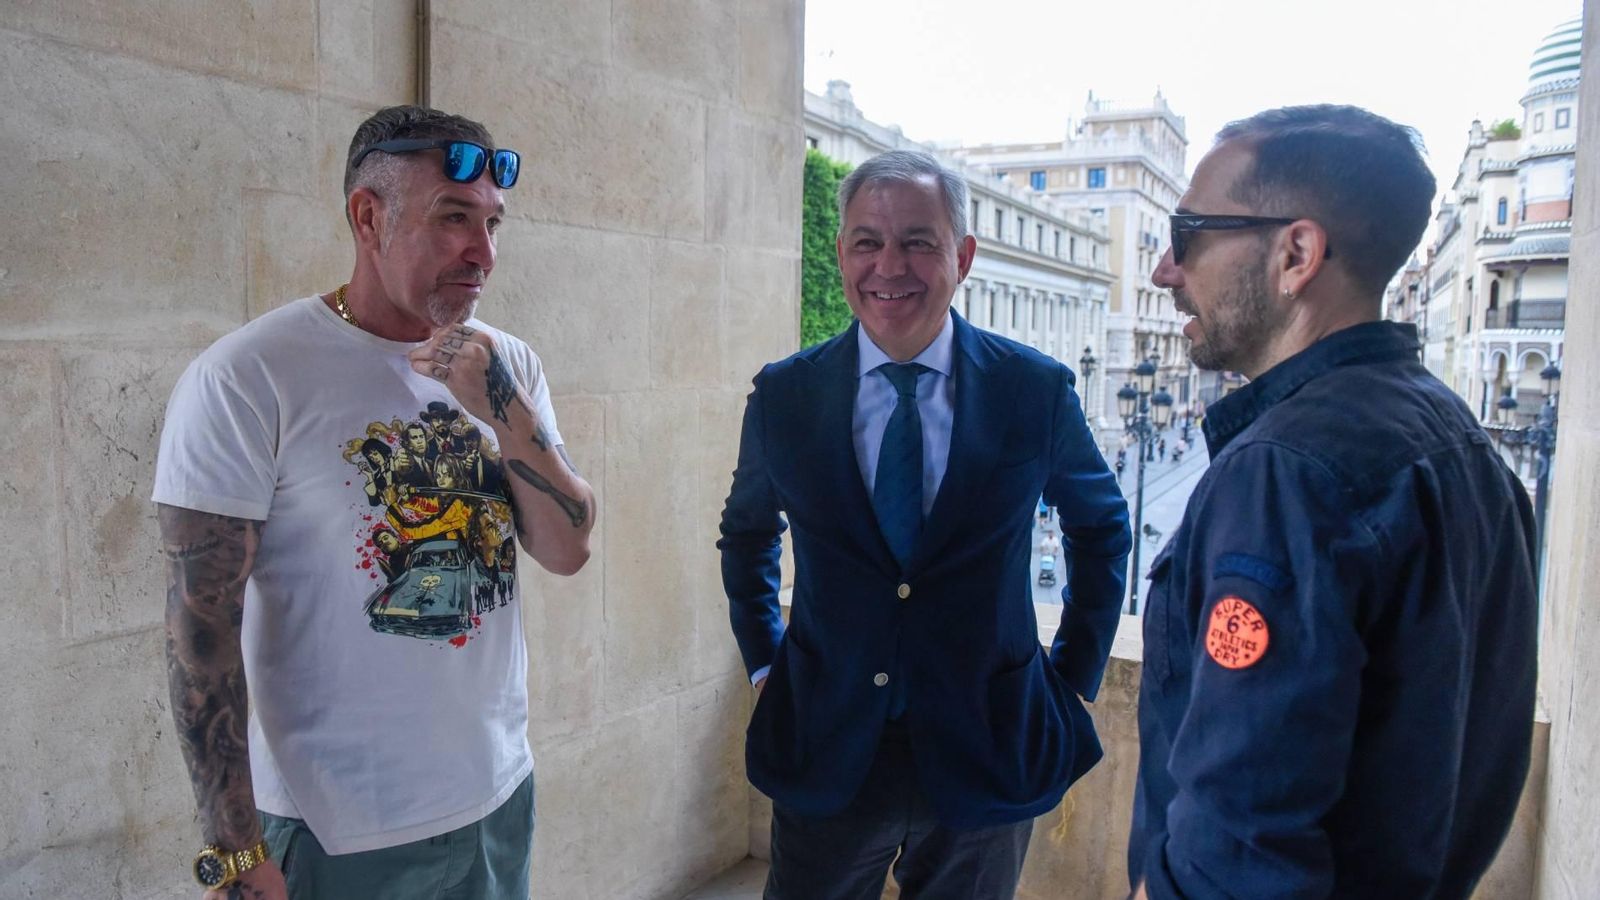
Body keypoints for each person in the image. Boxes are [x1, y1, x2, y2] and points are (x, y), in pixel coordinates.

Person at [154, 105, 595, 900]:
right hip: (331, 831)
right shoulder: (248, 377)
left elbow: (568, 550)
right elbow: (199, 630)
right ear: (368, 216)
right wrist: (231, 854)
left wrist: (505, 411)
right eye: (454, 218)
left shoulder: (508, 363)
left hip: (495, 799)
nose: (483, 252)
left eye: (494, 223)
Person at [1130, 105, 1537, 899]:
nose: (1164, 273)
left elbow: (1238, 849)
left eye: (1188, 236)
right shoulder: (1459, 437)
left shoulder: (1285, 473)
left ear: (1297, 253)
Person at [719, 149, 1131, 899]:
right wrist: (763, 660)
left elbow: (1101, 528)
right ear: (842, 252)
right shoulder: (784, 397)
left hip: (987, 745)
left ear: (963, 256)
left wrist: (1073, 675)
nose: (889, 266)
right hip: (828, 743)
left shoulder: (1033, 391)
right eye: (867, 242)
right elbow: (747, 535)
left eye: (918, 241)